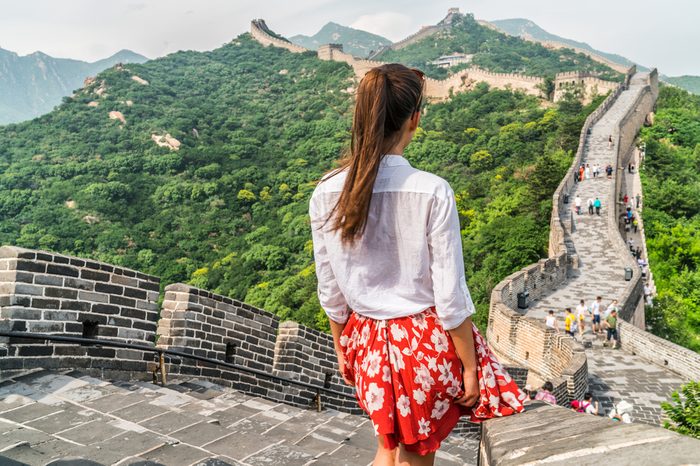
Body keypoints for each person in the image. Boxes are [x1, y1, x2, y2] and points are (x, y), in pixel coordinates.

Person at [310, 64, 526, 464]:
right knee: (414, 455)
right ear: (415, 118)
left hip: (365, 343)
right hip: (422, 347)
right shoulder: (432, 191)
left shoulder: (326, 192)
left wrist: (342, 347)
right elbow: (450, 296)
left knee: (387, 448)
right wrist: (470, 368)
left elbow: (330, 288)